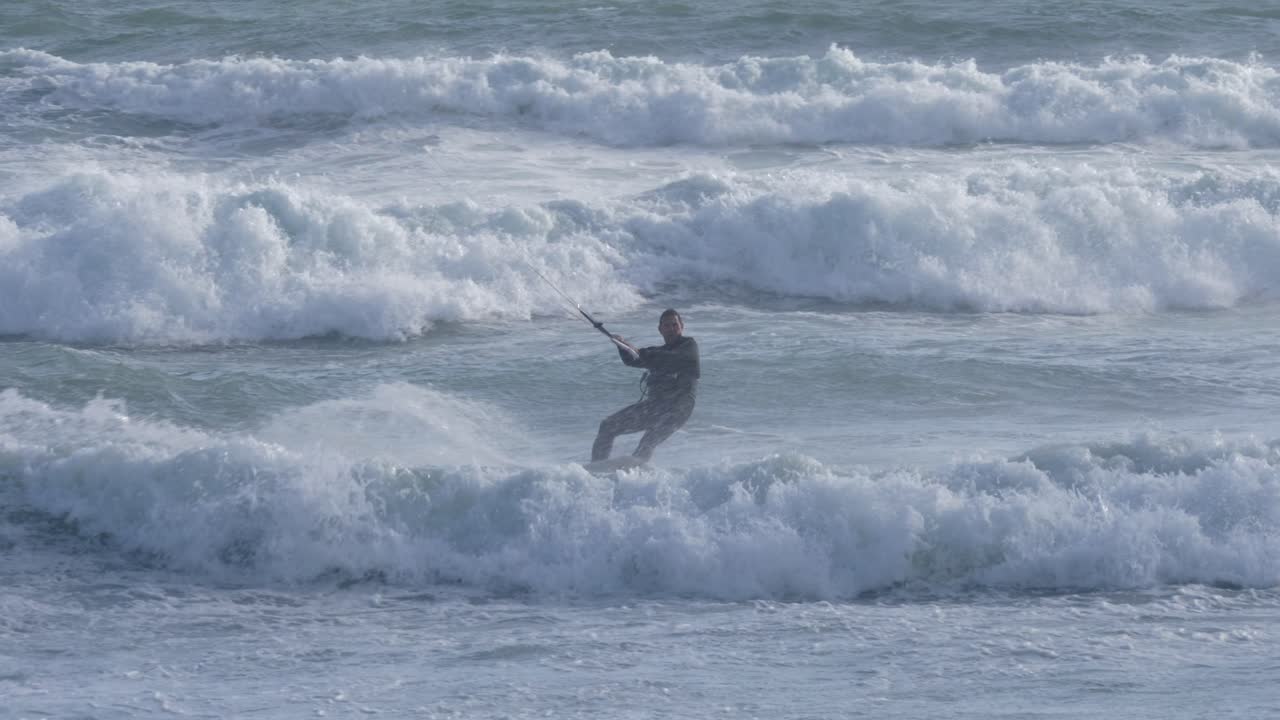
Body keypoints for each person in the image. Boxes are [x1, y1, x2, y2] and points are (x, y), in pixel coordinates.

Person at [591, 308, 700, 462]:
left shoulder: (689, 346)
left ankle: (636, 473)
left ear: (682, 326)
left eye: (674, 325)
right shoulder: (656, 351)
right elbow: (633, 359)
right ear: (660, 329)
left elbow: (675, 359)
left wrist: (641, 353)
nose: (671, 329)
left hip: (678, 408)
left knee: (647, 443)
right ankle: (596, 469)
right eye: (667, 325)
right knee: (607, 426)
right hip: (656, 406)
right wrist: (621, 345)